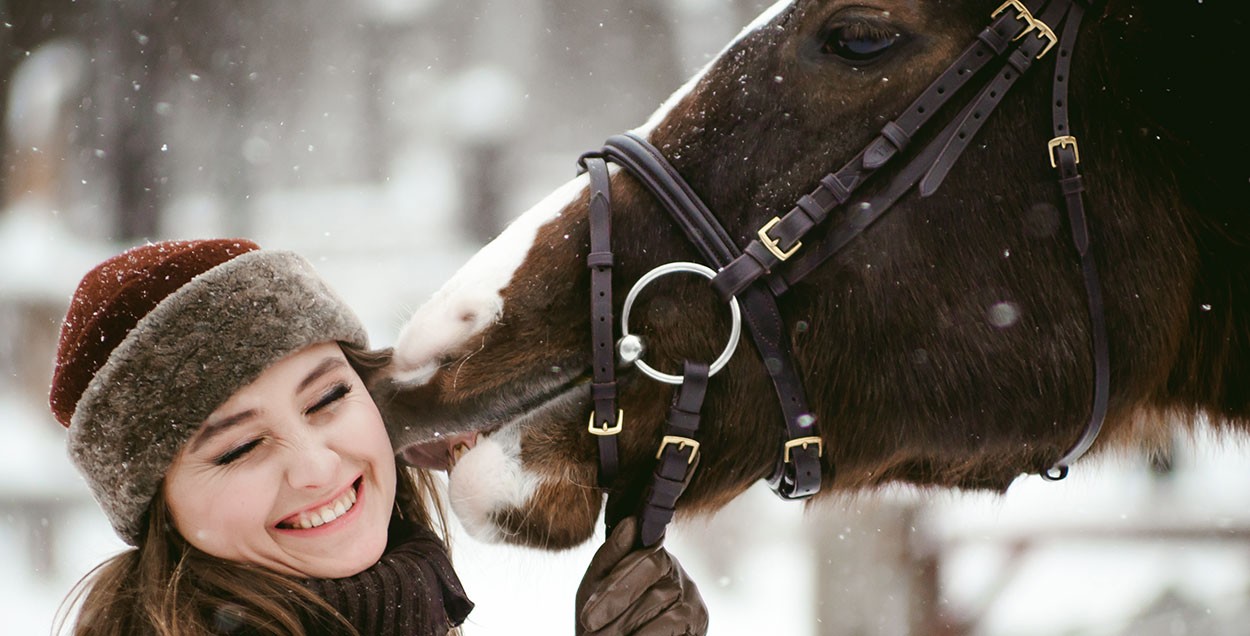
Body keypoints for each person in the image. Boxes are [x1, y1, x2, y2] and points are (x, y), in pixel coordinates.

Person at [49, 238, 709, 636]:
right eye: (239, 448)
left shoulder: (403, 609)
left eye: (328, 398)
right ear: (159, 509)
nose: (315, 467)